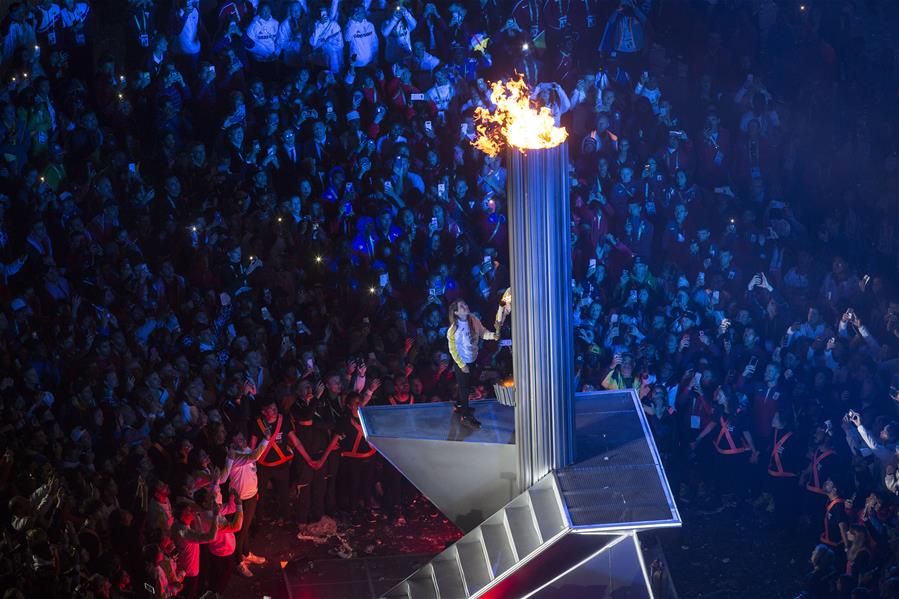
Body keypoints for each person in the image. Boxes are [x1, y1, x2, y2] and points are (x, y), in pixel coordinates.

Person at [446, 298, 496, 428]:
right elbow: (453, 350)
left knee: (467, 384)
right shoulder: (453, 330)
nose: (466, 306)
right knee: (465, 388)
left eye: (465, 304)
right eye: (462, 306)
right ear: (456, 312)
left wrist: (493, 336)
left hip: (472, 359)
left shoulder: (473, 319)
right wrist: (462, 365)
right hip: (462, 362)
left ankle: (459, 405)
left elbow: (483, 332)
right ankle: (465, 416)